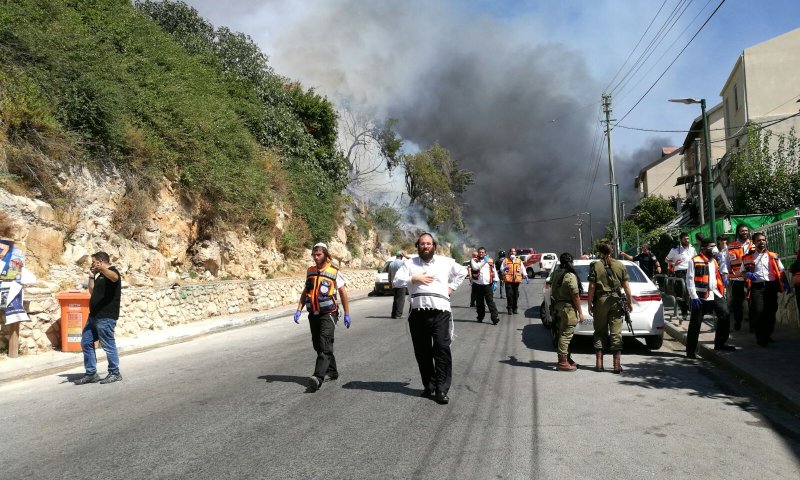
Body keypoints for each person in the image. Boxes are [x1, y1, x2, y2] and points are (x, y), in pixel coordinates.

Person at [392, 232, 467, 405]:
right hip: (418, 313)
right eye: (422, 244)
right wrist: (414, 278)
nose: (425, 246)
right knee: (422, 352)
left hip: (440, 312)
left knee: (441, 348)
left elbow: (462, 272)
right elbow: (396, 281)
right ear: (417, 246)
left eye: (428, 243)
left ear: (434, 246)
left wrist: (451, 288)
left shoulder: (444, 261)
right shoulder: (409, 263)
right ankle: (430, 385)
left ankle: (442, 389)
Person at [293, 242, 351, 392]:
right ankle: (332, 371)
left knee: (324, 342)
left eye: (318, 255)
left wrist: (347, 314)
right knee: (318, 345)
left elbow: (343, 293)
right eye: (314, 255)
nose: (316, 257)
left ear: (325, 254)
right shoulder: (310, 271)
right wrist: (299, 308)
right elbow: (306, 291)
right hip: (313, 313)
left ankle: (318, 377)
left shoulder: (334, 272)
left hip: (329, 313)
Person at [75, 251, 123, 385]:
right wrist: (92, 276)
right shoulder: (100, 275)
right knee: (86, 342)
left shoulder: (112, 271)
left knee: (108, 345)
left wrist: (102, 268)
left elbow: (114, 278)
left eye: (94, 261)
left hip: (106, 316)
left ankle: (115, 373)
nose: (92, 264)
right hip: (94, 316)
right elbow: (92, 291)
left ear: (100, 261)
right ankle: (91, 374)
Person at [685, 238, 735, 358]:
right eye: (711, 246)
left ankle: (720, 343)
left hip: (715, 293)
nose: (714, 248)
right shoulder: (694, 260)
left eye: (714, 245)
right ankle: (690, 351)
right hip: (700, 297)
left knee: (725, 314)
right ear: (703, 248)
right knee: (695, 324)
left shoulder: (714, 261)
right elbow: (689, 280)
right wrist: (694, 297)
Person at [587, 242, 631, 374]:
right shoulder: (620, 265)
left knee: (600, 332)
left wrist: (589, 303)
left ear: (600, 252)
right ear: (611, 251)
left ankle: (599, 364)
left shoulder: (595, 265)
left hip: (600, 301)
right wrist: (629, 302)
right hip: (616, 301)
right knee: (616, 333)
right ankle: (616, 365)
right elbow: (626, 286)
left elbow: (592, 287)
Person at [742, 232, 790, 347]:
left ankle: (767, 334)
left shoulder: (773, 255)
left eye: (763, 240)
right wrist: (748, 275)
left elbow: (781, 271)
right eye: (758, 240)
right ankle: (760, 337)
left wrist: (786, 284)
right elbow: (742, 272)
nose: (762, 242)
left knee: (771, 311)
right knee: (758, 312)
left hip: (771, 286)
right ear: (753, 242)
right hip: (757, 287)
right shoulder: (748, 257)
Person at [551, 252, 584, 372]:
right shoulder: (570, 275)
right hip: (568, 308)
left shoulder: (556, 273)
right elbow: (575, 295)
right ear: (571, 262)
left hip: (559, 306)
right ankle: (562, 363)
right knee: (566, 334)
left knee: (562, 333)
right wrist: (580, 312)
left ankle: (566, 358)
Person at [726, 224, 753, 332]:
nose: (744, 232)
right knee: (737, 303)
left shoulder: (754, 244)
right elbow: (726, 262)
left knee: (753, 302)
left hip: (752, 278)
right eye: (742, 231)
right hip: (737, 279)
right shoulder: (731, 246)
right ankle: (738, 321)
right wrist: (725, 275)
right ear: (738, 232)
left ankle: (753, 326)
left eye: (746, 230)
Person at [665, 232, 696, 322]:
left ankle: (690, 311)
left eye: (687, 238)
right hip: (680, 272)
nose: (687, 240)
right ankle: (684, 312)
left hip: (690, 271)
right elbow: (666, 259)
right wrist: (674, 264)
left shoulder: (692, 248)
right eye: (685, 239)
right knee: (683, 292)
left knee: (691, 291)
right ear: (681, 240)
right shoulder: (675, 249)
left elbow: (695, 257)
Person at [470, 247, 499, 324]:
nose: (481, 253)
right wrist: (484, 262)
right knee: (479, 303)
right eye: (480, 252)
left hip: (488, 285)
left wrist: (495, 281)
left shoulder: (490, 261)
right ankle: (480, 317)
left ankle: (494, 317)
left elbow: (494, 270)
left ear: (485, 253)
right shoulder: (474, 260)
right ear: (478, 253)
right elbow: (475, 268)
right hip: (477, 285)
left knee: (490, 302)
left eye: (483, 252)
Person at [501, 248, 528, 314]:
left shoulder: (519, 261)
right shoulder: (505, 260)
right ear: (509, 253)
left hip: (516, 281)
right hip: (508, 280)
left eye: (514, 251)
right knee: (509, 295)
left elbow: (523, 268)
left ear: (515, 253)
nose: (513, 253)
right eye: (511, 251)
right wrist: (504, 268)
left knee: (515, 295)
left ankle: (515, 308)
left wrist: (526, 275)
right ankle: (509, 308)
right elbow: (501, 269)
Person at [387, 250, 407, 318]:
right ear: (401, 256)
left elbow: (389, 275)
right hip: (401, 284)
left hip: (394, 284)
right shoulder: (403, 263)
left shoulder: (391, 264)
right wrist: (406, 256)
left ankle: (393, 314)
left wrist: (389, 283)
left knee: (395, 299)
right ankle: (398, 314)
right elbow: (412, 261)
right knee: (401, 299)